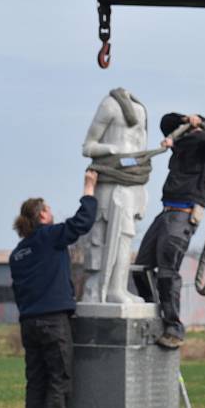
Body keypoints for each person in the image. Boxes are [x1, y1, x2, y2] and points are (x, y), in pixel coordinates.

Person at [9, 170, 98, 408]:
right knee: (60, 377)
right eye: (48, 209)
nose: (52, 213)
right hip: (53, 321)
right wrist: (89, 188)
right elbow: (81, 223)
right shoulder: (48, 237)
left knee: (36, 380)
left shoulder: (18, 253)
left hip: (29, 323)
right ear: (42, 217)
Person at [132, 112, 205, 349]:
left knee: (167, 270)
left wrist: (199, 124)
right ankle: (153, 314)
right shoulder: (182, 144)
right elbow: (166, 122)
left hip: (184, 213)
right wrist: (183, 121)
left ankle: (173, 328)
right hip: (166, 212)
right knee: (140, 267)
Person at [79, 88, 148, 304]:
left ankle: (118, 288)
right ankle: (98, 291)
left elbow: (140, 150)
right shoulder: (109, 105)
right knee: (104, 237)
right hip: (109, 183)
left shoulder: (141, 110)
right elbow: (88, 147)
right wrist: (111, 149)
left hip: (132, 183)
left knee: (125, 237)